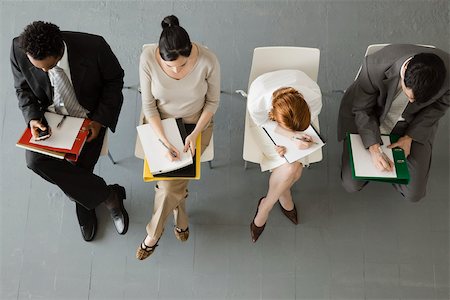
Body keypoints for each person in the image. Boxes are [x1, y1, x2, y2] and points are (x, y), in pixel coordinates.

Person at [10, 21, 129, 242]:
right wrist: (33, 118)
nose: (43, 71)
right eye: (37, 68)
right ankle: (107, 195)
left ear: (59, 52)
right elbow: (22, 89)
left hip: (89, 117)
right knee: (34, 161)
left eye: (47, 67)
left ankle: (86, 203)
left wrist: (99, 121)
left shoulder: (94, 47)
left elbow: (114, 81)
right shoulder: (19, 49)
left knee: (80, 166)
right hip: (50, 118)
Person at [135, 15, 220, 260]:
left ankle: (153, 232)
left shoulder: (208, 60)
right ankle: (180, 218)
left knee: (169, 182)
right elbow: (149, 107)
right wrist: (164, 140)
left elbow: (213, 102)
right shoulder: (147, 59)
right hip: (159, 124)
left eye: (181, 66)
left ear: (190, 50)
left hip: (196, 125)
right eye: (169, 66)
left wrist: (194, 135)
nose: (176, 71)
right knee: (173, 183)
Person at [338, 44, 449, 202]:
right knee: (351, 184)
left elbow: (438, 107)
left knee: (414, 194)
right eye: (409, 95)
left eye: (417, 100)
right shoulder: (374, 66)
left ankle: (391, 171)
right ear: (404, 73)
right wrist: (374, 148)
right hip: (372, 117)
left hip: (413, 123)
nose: (411, 101)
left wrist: (410, 137)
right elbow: (362, 109)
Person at [247, 69, 322, 242]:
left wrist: (302, 137)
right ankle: (279, 198)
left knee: (292, 168)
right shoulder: (258, 104)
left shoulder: (313, 98)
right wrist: (289, 137)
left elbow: (306, 124)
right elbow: (264, 124)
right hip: (266, 126)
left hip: (292, 125)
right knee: (293, 168)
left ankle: (266, 205)